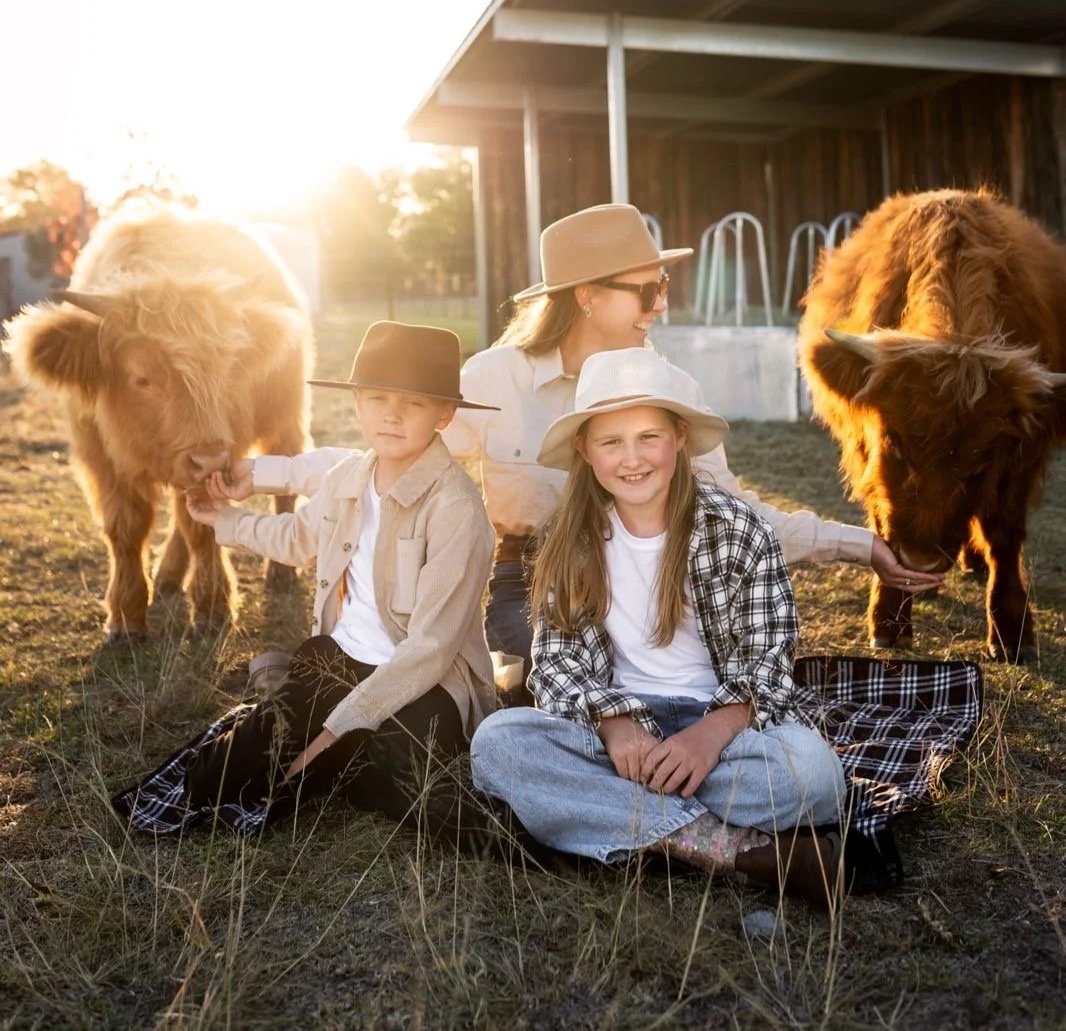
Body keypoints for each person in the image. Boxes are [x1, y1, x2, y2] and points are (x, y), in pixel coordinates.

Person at [443, 203, 942, 696]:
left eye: (662, 286)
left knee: (673, 681)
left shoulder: (669, 391)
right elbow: (417, 464)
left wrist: (860, 546)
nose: (661, 304)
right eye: (646, 291)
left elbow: (738, 516)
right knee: (564, 678)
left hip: (654, 577)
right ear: (587, 295)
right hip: (535, 576)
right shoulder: (494, 378)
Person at [470, 348, 847, 909]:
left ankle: (612, 824)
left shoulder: (738, 530)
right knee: (497, 746)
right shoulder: (566, 540)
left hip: (723, 731)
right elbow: (557, 664)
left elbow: (767, 660)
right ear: (584, 451)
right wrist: (617, 725)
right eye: (611, 442)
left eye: (648, 437)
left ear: (679, 436)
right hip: (616, 730)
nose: (632, 459)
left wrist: (707, 736)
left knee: (813, 776)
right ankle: (736, 851)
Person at [173, 320, 500, 831]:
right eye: (376, 399)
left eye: (413, 403)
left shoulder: (456, 507)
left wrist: (333, 732)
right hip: (340, 660)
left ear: (444, 414)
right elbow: (299, 540)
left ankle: (318, 735)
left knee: (406, 776)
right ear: (357, 404)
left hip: (423, 683)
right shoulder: (349, 477)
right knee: (210, 780)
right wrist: (227, 521)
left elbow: (430, 648)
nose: (391, 416)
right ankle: (292, 704)